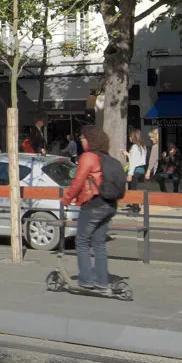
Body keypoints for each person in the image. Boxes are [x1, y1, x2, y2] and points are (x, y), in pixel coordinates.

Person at [61, 125, 120, 293]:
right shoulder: (107, 158)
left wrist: (66, 199)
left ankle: (86, 280)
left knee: (82, 241)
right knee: (99, 244)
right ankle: (101, 282)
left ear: (89, 140)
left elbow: (78, 181)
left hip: (93, 205)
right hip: (109, 204)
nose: (81, 140)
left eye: (82, 138)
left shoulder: (88, 157)